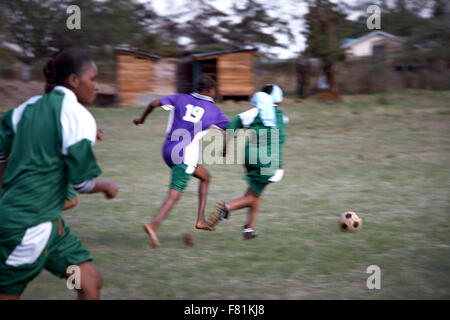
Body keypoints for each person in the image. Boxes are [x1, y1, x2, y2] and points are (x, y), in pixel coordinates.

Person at [0, 49, 118, 300]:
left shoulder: (25, 109)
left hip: (49, 225)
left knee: (90, 283)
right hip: (27, 229)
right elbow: (81, 183)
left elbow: (3, 149)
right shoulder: (78, 116)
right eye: (93, 79)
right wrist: (106, 186)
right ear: (74, 81)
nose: (97, 87)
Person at [133, 74, 228, 248]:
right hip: (185, 155)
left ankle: (200, 220)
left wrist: (141, 119)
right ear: (209, 91)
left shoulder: (179, 97)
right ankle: (153, 225)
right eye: (214, 90)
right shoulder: (214, 110)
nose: (215, 93)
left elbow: (154, 103)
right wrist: (225, 148)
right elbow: (231, 128)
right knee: (174, 194)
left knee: (205, 177)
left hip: (167, 150)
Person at [208, 87, 288, 239]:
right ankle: (226, 208)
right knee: (253, 196)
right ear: (277, 98)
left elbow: (232, 125)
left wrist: (225, 148)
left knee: (255, 191)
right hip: (268, 160)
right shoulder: (281, 115)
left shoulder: (253, 113)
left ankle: (249, 229)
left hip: (248, 156)